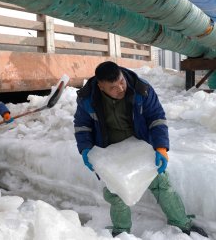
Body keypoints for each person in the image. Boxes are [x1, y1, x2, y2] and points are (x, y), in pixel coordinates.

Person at [74, 61, 208, 237]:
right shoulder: (87, 98)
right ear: (100, 86)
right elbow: (82, 125)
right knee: (116, 192)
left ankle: (182, 223)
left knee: (161, 183)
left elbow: (156, 118)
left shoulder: (141, 88)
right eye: (113, 87)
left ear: (122, 73)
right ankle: (121, 232)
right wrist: (85, 149)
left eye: (121, 82)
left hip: (139, 146)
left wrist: (161, 147)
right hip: (111, 151)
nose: (120, 88)